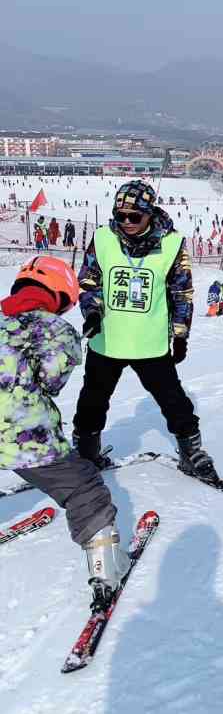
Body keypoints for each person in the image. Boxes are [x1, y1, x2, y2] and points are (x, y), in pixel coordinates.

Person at [0, 256, 131, 607]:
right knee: (83, 487)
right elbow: (50, 380)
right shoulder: (55, 328)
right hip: (23, 437)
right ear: (58, 295)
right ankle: (106, 569)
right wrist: (71, 346)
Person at [72, 180, 217, 481]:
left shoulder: (172, 244)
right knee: (92, 401)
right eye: (120, 215)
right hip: (107, 340)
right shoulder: (102, 239)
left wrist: (180, 334)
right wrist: (92, 311)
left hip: (149, 343)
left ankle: (192, 452)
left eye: (134, 217)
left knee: (174, 401)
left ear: (149, 214)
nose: (126, 223)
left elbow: (181, 293)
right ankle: (86, 452)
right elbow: (88, 281)